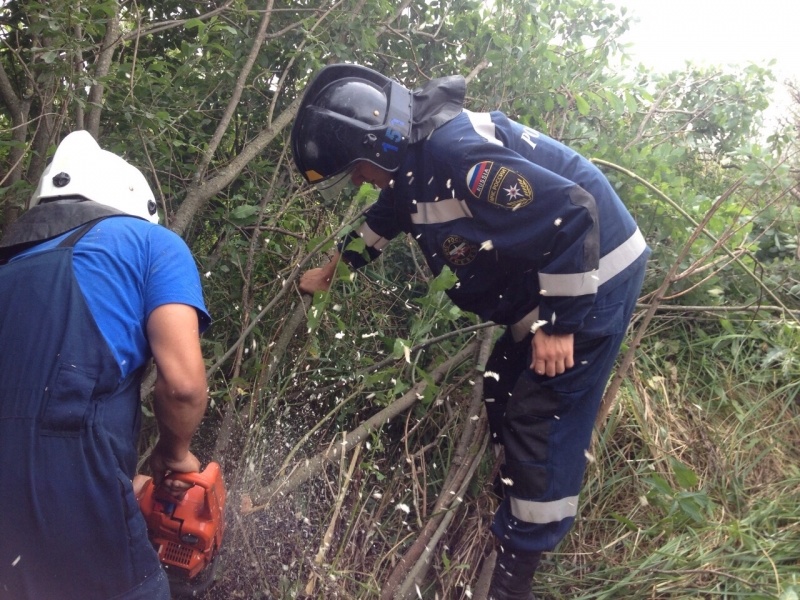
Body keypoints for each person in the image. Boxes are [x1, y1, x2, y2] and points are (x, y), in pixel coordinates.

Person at [291, 64, 650, 599]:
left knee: (539, 413)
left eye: (359, 169)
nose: (362, 180)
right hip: (555, 286)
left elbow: (574, 214)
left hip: (597, 280)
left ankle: (514, 577)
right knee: (503, 383)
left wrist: (561, 325)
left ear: (378, 144)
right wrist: (332, 270)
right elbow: (384, 219)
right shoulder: (414, 167)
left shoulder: (457, 155)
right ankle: (517, 502)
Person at [0, 131, 211, 599]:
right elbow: (183, 387)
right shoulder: (152, 243)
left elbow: (26, 416)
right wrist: (173, 455)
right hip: (66, 486)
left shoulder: (8, 266)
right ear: (137, 202)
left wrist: (132, 485)